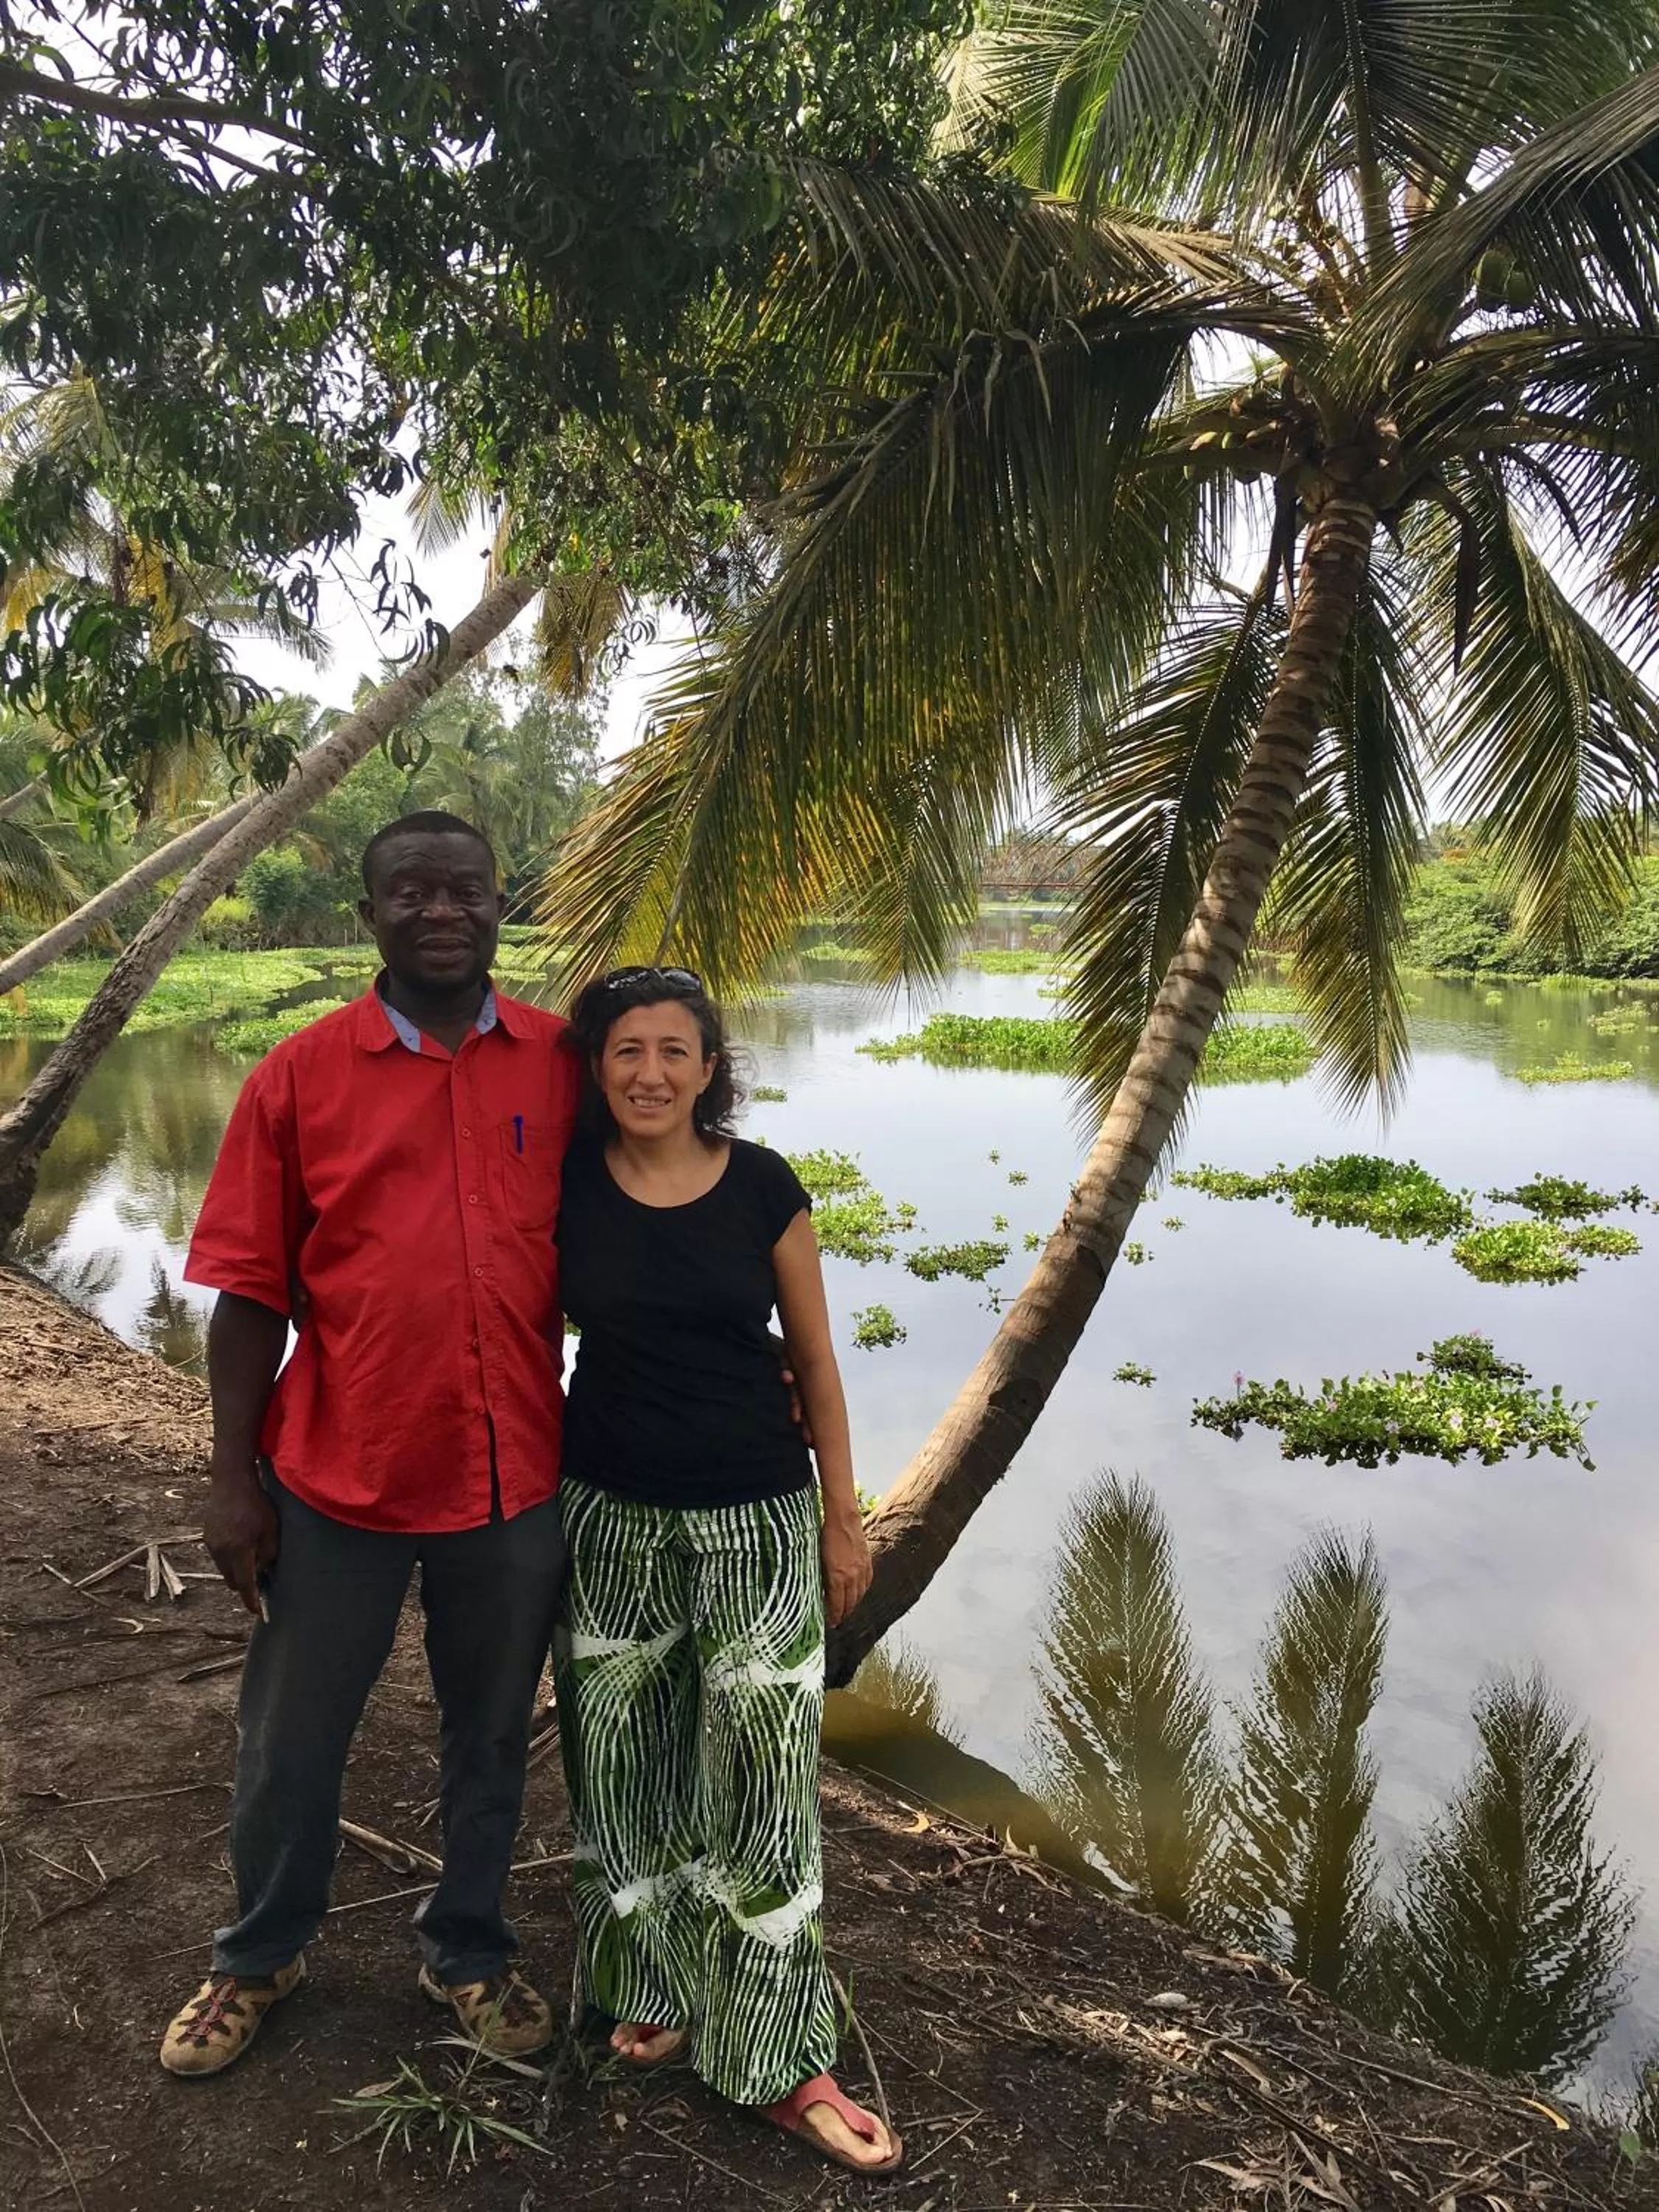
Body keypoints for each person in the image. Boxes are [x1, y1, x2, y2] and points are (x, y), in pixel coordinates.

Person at [159, 812, 578, 2076]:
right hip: (335, 1476)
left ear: (501, 904)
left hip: (513, 1478)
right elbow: (247, 1293)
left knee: (489, 1731)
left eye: (464, 889)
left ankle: (468, 1948)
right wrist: (231, 1479)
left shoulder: (566, 1065)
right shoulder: (296, 1076)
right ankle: (259, 1953)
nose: (440, 909)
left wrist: (756, 1353)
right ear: (370, 915)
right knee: (291, 1736)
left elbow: (663, 1224)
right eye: (411, 891)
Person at [553, 965, 902, 2176]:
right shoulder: (562, 1188)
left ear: (711, 1069)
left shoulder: (761, 1185)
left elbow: (815, 1360)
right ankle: (647, 1976)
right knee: (623, 1764)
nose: (648, 1071)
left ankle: (775, 2050)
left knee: (761, 1784)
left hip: (756, 1517)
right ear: (596, 1070)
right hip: (604, 1519)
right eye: (625, 1051)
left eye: (673, 1050)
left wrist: (840, 1519)